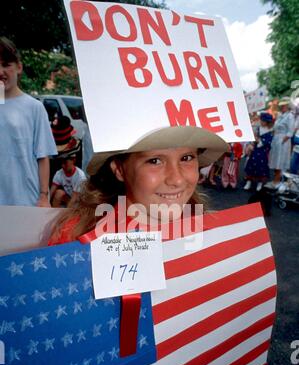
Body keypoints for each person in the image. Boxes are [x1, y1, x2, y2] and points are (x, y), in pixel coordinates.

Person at [48, 126, 228, 245]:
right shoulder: (75, 237)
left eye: (187, 158)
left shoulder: (213, 233)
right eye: (155, 161)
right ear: (119, 169)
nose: (177, 180)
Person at [0, 37, 57, 206]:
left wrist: (43, 196)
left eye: (6, 64)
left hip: (26, 201)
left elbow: (43, 157)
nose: (0, 71)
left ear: (19, 67)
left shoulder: (34, 107)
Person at [268, 97, 295, 187]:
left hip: (283, 140)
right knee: (275, 160)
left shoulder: (290, 116)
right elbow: (275, 127)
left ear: (288, 105)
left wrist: (282, 141)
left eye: (284, 105)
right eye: (282, 105)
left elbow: (290, 132)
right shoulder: (280, 115)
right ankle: (276, 179)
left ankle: (277, 181)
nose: (282, 106)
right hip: (276, 139)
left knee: (280, 161)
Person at [244, 112, 274, 191]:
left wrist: (258, 140)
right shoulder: (258, 128)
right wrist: (252, 142)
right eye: (261, 120)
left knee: (261, 167)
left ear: (267, 122)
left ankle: (260, 183)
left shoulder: (269, 131)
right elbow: (254, 139)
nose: (261, 122)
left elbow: (266, 143)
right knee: (251, 165)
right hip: (255, 150)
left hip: (263, 152)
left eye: (263, 121)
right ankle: (249, 181)